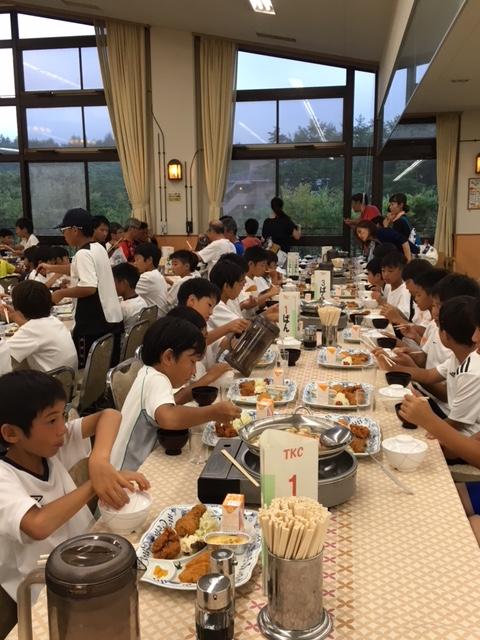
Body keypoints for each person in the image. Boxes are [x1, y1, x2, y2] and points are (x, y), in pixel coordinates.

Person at [0, 370, 149, 636]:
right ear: (12, 433)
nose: (62, 428)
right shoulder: (4, 477)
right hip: (50, 595)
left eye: (62, 415)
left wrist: (99, 462)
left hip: (91, 565)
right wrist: (94, 483)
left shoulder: (48, 445)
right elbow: (38, 524)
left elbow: (109, 415)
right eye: (51, 420)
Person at [109, 317, 241, 471]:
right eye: (192, 362)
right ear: (168, 357)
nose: (193, 371)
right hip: (126, 476)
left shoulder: (149, 373)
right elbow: (168, 417)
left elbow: (173, 404)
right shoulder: (156, 379)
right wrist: (213, 412)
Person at [48, 208, 124, 368]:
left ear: (75, 230)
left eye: (64, 230)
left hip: (94, 324)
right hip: (112, 320)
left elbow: (89, 288)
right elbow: (77, 269)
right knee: (106, 370)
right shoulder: (98, 248)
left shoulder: (83, 254)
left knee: (89, 372)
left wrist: (61, 293)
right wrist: (50, 268)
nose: (64, 235)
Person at [2, 280, 78, 372]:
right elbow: (36, 331)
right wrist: (14, 316)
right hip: (67, 378)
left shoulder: (31, 330)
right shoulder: (54, 321)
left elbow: (3, 353)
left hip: (49, 380)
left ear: (17, 306)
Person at [134, 243, 168, 317]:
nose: (135, 263)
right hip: (161, 317)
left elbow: (128, 292)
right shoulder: (156, 274)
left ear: (149, 260)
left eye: (137, 259)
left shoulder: (147, 277)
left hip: (155, 320)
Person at [112, 263, 147, 333]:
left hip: (124, 339)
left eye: (114, 282)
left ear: (124, 283)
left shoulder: (123, 308)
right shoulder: (142, 301)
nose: (112, 286)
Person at [379, 252, 412, 322]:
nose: (386, 274)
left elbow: (405, 316)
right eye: (383, 271)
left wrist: (383, 303)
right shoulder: (390, 286)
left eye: (390, 271)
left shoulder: (405, 291)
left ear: (402, 271)